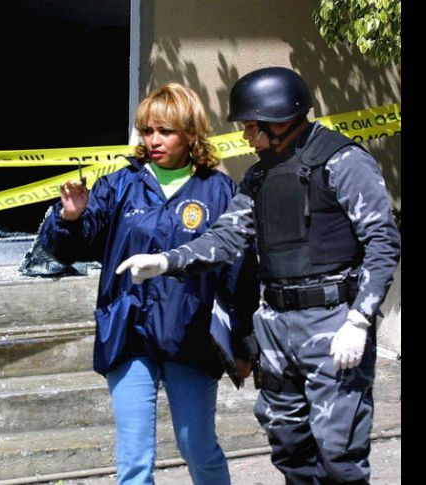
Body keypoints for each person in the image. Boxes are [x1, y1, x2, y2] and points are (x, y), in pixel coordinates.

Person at [116, 67, 401, 484]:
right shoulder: (259, 174)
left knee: (338, 454)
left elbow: (383, 242)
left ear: (280, 120)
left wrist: (360, 319)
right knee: (290, 447)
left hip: (334, 323)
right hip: (277, 329)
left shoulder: (342, 161)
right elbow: (227, 237)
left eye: (252, 127)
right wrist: (166, 261)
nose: (247, 137)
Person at [36, 82, 258, 485]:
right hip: (128, 331)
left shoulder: (219, 190)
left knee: (198, 446)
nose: (153, 141)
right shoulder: (119, 185)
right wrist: (69, 219)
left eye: (165, 131)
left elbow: (238, 271)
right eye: (147, 131)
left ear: (191, 134)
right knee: (135, 459)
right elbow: (70, 249)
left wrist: (243, 344)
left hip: (190, 336)